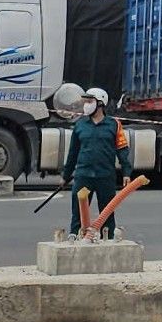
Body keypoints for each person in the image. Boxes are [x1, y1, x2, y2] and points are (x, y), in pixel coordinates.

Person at [62, 87, 132, 239]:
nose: (86, 105)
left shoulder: (114, 125)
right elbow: (73, 152)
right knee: (78, 212)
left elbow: (122, 150)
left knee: (107, 212)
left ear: (100, 103)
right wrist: (66, 175)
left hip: (105, 176)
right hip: (83, 175)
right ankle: (74, 237)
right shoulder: (80, 125)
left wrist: (126, 172)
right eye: (85, 101)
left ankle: (108, 239)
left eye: (90, 101)